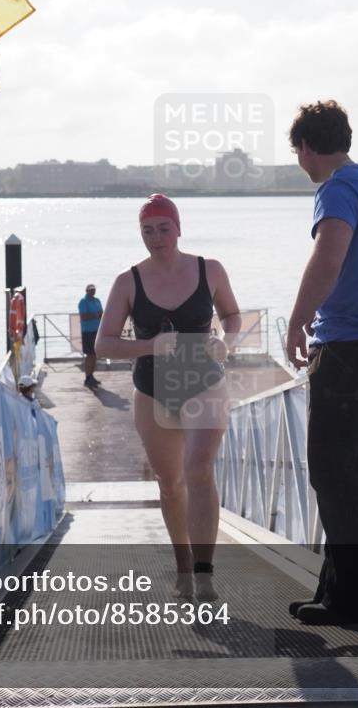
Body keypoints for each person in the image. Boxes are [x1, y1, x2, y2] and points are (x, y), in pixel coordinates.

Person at [284, 100, 358, 626]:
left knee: (332, 471)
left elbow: (328, 258)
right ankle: (345, 591)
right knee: (350, 470)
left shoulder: (336, 190)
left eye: (298, 153)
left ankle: (355, 598)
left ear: (308, 146)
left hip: (350, 346)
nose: (300, 163)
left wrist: (296, 321)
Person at [96, 194, 241, 601]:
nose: (155, 237)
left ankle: (205, 573)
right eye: (147, 230)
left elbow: (231, 315)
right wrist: (149, 346)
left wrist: (226, 342)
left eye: (163, 228)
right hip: (153, 390)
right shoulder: (128, 281)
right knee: (171, 483)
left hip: (205, 383)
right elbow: (103, 343)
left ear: (179, 228)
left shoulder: (208, 269)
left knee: (198, 471)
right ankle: (183, 569)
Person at [78, 284, 103, 387]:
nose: (92, 291)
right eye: (90, 290)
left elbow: (101, 312)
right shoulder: (83, 301)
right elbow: (84, 316)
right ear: (86, 290)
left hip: (97, 331)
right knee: (90, 355)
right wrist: (95, 315)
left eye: (94, 290)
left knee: (95, 354)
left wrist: (95, 315)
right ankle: (87, 378)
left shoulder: (97, 300)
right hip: (88, 332)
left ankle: (91, 376)